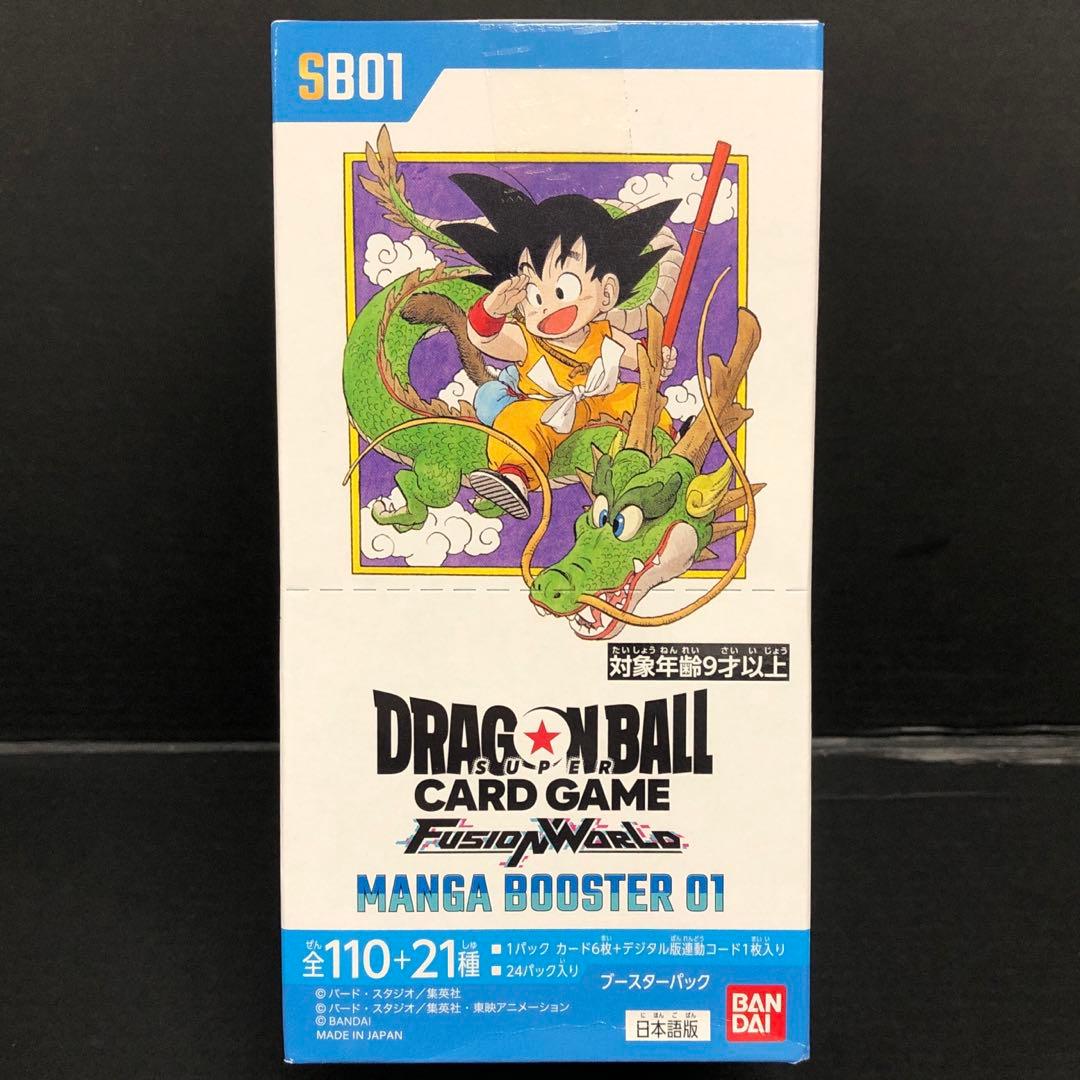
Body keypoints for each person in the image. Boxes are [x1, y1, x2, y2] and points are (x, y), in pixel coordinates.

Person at [441, 176, 679, 519]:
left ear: (606, 293)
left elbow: (642, 360)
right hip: (546, 412)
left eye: (563, 290)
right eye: (535, 296)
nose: (547, 307)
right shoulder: (527, 339)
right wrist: (492, 311)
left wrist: (658, 361)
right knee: (516, 420)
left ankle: (669, 447)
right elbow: (485, 339)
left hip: (603, 403)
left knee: (640, 398)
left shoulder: (605, 334)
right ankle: (514, 478)